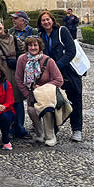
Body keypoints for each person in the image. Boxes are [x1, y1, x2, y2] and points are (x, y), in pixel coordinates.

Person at [37, 10, 83, 141]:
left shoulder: (62, 31)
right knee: (53, 101)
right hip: (51, 75)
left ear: (52, 20)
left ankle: (77, 129)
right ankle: (53, 129)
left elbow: (71, 51)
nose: (46, 22)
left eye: (48, 19)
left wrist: (56, 65)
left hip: (68, 72)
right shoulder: (40, 35)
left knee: (75, 100)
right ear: (40, 23)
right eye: (43, 20)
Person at [14, 36, 63, 145]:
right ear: (26, 47)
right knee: (31, 110)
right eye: (30, 45)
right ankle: (40, 133)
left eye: (35, 45)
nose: (33, 47)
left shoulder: (48, 60)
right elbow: (18, 79)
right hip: (32, 94)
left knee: (47, 110)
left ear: (40, 46)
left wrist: (43, 88)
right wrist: (27, 94)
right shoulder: (22, 59)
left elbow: (59, 80)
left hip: (47, 95)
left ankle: (50, 135)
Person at [0, 16, 28, 138]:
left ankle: (20, 127)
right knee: (6, 101)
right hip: (3, 74)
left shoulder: (15, 39)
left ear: (2, 24)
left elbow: (24, 53)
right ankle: (9, 129)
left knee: (18, 101)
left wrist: (18, 62)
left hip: (16, 72)